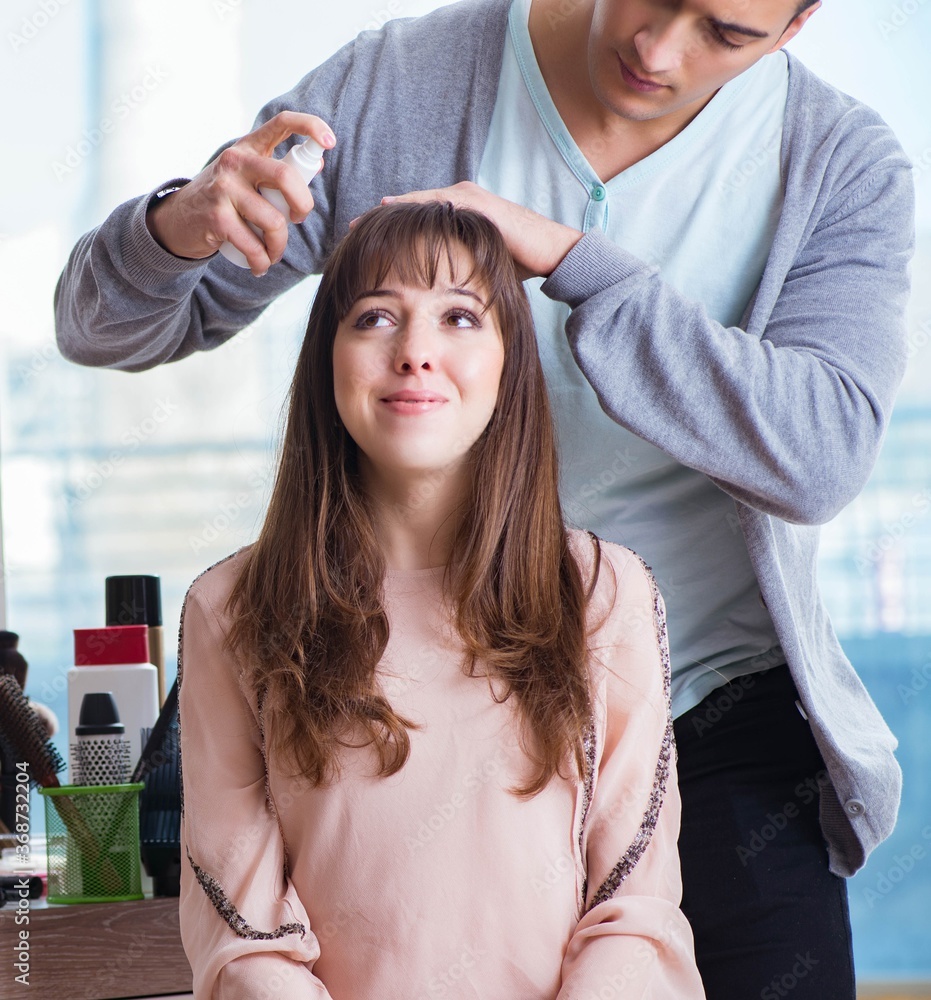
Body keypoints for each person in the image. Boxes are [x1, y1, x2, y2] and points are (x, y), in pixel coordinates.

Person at [55, 1, 915, 995]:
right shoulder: (396, 89)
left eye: (724, 31)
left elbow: (820, 456)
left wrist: (578, 268)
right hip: (409, 715)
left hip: (711, 714)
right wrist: (174, 230)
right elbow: (107, 327)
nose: (656, 47)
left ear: (797, 22)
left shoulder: (837, 163)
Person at [177, 201, 704, 999]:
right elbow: (241, 935)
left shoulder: (605, 593)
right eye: (375, 317)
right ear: (328, 357)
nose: (415, 353)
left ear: (508, 359)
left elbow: (632, 907)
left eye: (460, 316)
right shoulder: (230, 609)